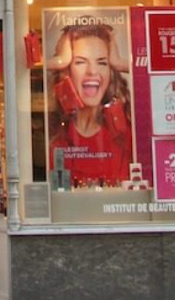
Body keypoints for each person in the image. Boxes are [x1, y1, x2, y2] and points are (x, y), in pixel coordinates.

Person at [47, 24, 132, 188]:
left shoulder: (123, 131)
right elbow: (17, 67)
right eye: (80, 62)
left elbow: (162, 77)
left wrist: (121, 63)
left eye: (102, 62)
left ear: (111, 71)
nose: (92, 71)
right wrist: (58, 62)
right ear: (66, 72)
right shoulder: (54, 130)